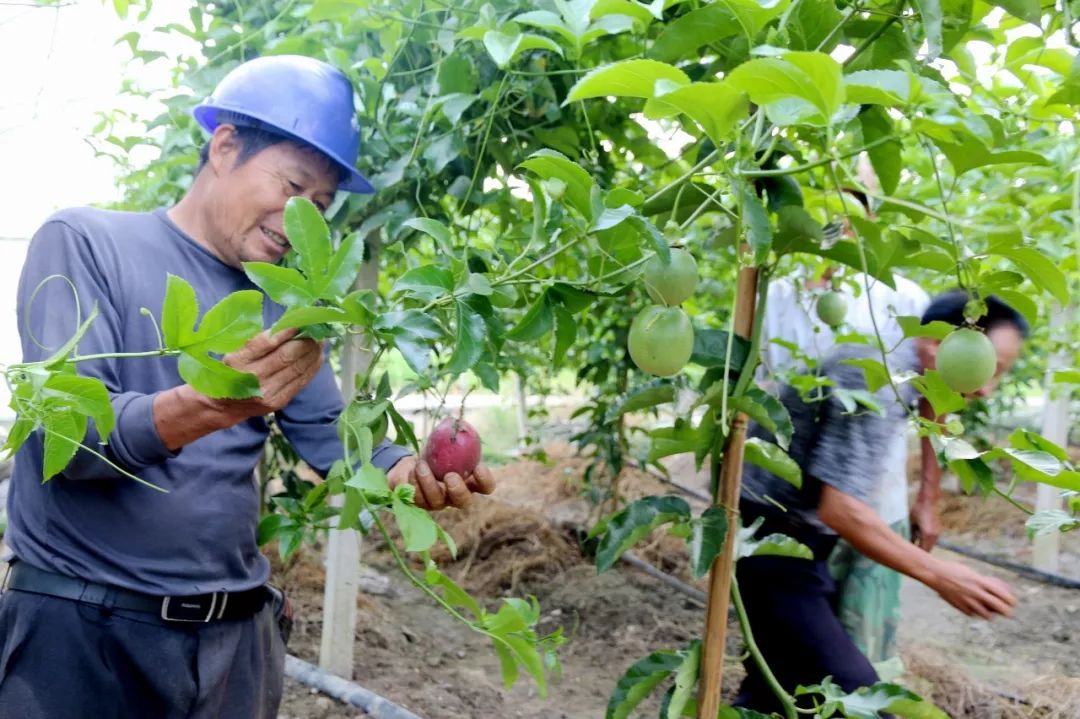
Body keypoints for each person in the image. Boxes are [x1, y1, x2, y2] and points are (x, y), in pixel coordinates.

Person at [0, 55, 494, 719]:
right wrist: (204, 405)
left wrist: (409, 472)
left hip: (232, 647)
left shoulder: (283, 303)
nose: (302, 220)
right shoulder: (86, 243)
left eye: (320, 206)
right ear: (225, 144)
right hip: (86, 637)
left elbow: (335, 443)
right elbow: (70, 441)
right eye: (293, 187)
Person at [735, 290, 1026, 714]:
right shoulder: (876, 381)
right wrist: (940, 575)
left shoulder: (900, 372)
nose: (987, 388)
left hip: (796, 540)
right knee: (861, 700)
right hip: (769, 543)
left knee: (780, 683)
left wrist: (928, 496)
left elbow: (931, 409)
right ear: (936, 344)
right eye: (989, 369)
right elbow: (840, 508)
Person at [758, 269, 935, 679]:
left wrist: (929, 492)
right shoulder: (775, 286)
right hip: (796, 513)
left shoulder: (904, 296)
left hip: (877, 503)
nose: (841, 224)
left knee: (864, 650)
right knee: (799, 657)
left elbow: (935, 393)